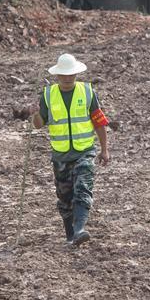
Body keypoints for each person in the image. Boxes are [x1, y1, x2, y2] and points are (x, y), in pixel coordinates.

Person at [33, 54, 110, 245]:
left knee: (83, 188)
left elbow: (99, 122)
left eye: (71, 74)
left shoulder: (87, 92)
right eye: (64, 75)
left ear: (76, 73)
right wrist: (34, 113)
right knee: (65, 198)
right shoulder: (48, 95)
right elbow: (38, 124)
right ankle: (70, 234)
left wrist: (104, 149)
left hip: (84, 151)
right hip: (60, 156)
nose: (68, 78)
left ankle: (80, 229)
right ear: (57, 75)